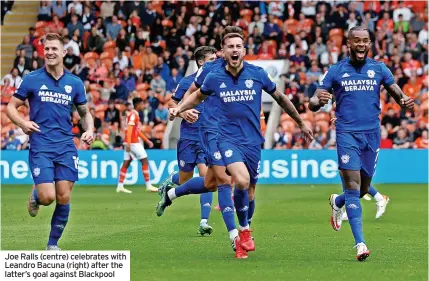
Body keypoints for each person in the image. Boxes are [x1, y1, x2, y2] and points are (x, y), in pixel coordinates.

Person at [166, 30, 313, 259]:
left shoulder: (257, 74)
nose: (235, 50)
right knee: (235, 180)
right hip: (221, 136)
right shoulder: (212, 75)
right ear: (222, 52)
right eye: (230, 46)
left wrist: (301, 123)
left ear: (244, 50)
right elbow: (195, 95)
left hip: (252, 140)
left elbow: (281, 98)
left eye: (239, 46)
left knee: (240, 187)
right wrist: (180, 109)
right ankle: (240, 233)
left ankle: (177, 194)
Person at [309, 26, 414, 261]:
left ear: (369, 43)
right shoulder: (336, 71)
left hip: (372, 134)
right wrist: (317, 101)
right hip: (347, 133)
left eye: (365, 40)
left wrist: (404, 100)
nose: (361, 44)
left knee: (364, 188)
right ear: (348, 43)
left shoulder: (378, 68)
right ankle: (361, 244)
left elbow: (395, 90)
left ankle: (337, 202)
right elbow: (315, 100)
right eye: (356, 40)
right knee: (353, 186)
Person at [6, 33, 95, 250]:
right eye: (47, 49)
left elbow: (85, 113)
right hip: (41, 145)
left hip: (66, 145)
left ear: (64, 52)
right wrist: (22, 124)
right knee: (48, 198)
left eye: (54, 49)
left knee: (63, 196)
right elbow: (10, 107)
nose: (50, 52)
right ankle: (37, 194)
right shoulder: (32, 79)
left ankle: (52, 245)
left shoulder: (75, 83)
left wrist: (90, 129)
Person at [166, 46, 217, 236]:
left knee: (207, 178)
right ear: (201, 62)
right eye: (211, 59)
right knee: (185, 180)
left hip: (208, 136)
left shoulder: (218, 80)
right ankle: (171, 180)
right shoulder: (187, 82)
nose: (216, 61)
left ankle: (204, 221)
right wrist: (183, 111)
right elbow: (172, 103)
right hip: (188, 136)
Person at [116, 97, 157, 193]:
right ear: (138, 105)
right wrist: (129, 143)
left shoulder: (133, 114)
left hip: (128, 142)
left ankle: (120, 186)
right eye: (142, 104)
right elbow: (130, 129)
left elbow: (136, 131)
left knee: (126, 163)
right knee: (145, 161)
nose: (143, 106)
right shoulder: (134, 115)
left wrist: (147, 140)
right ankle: (148, 185)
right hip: (133, 143)